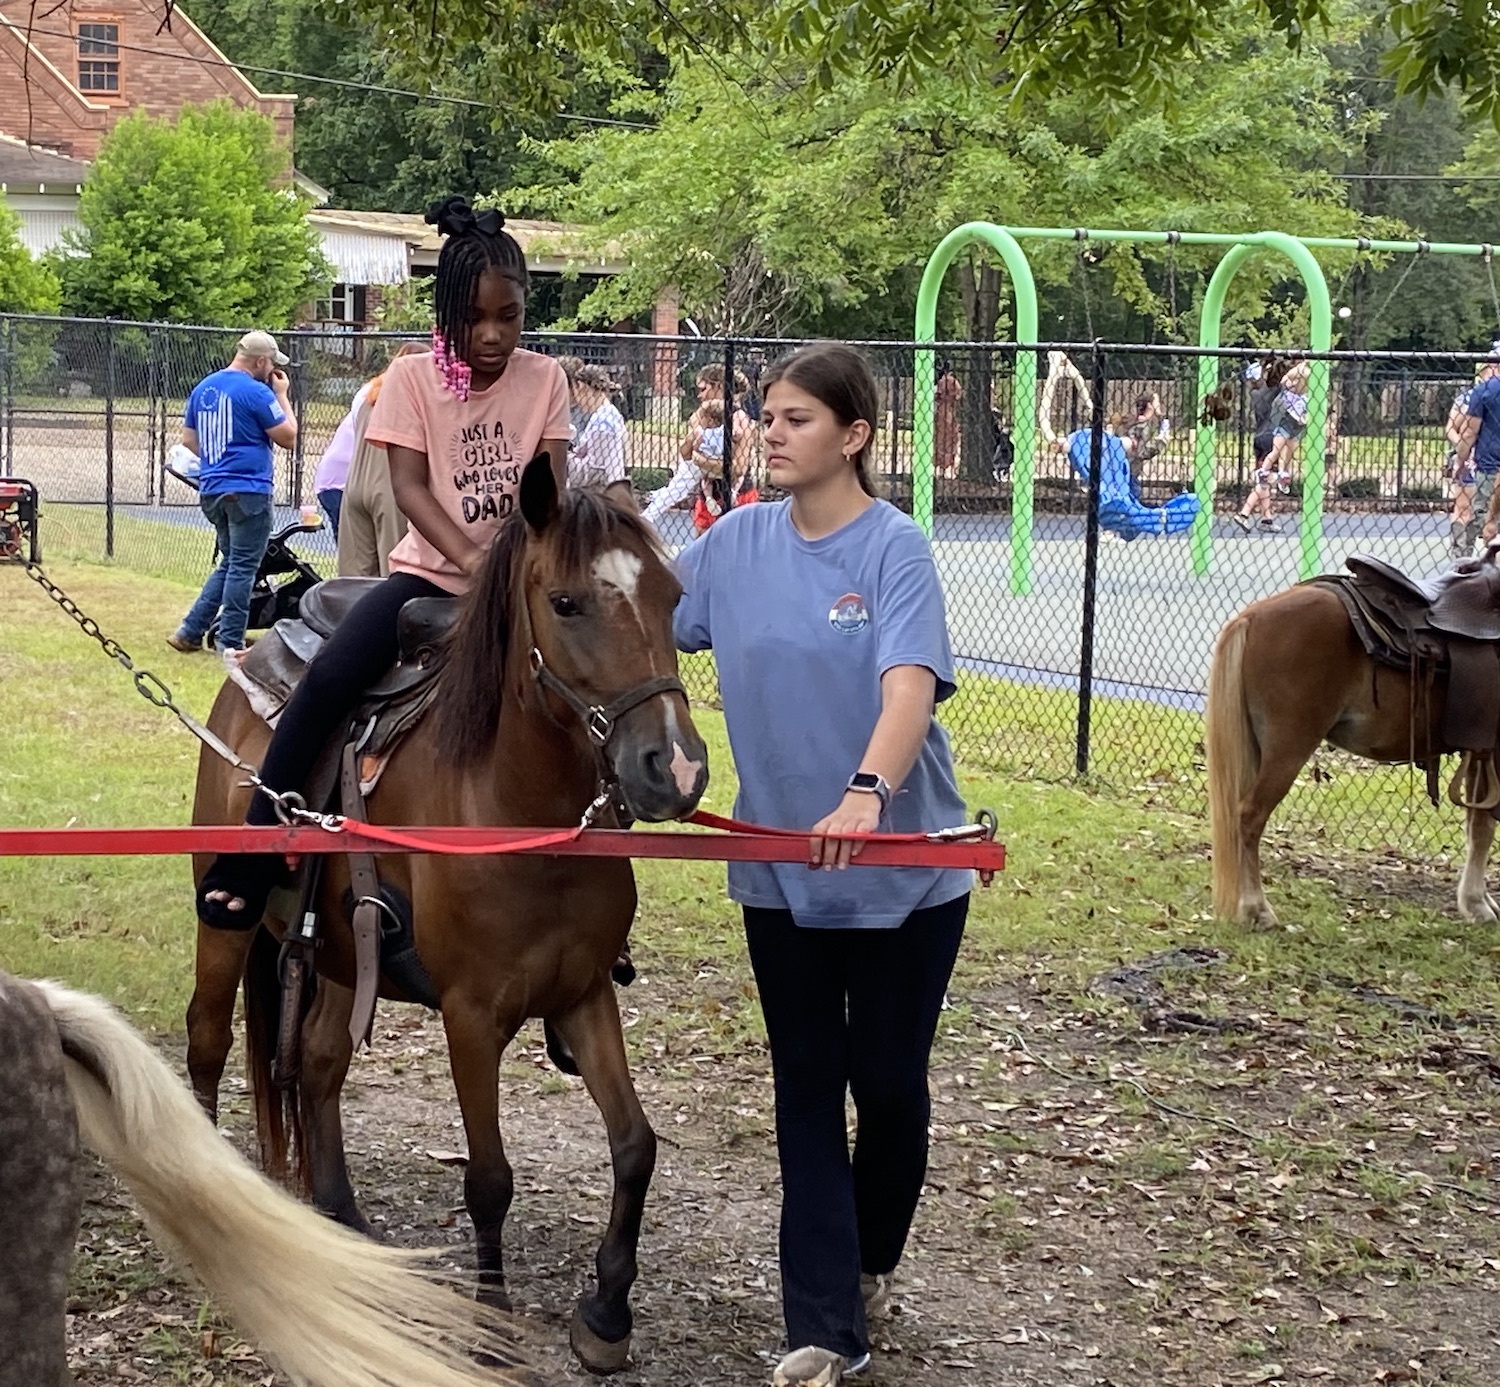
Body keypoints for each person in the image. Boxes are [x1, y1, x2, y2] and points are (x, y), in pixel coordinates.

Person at [672, 342, 972, 1387]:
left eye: (797, 418)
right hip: (780, 876)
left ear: (854, 435)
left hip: (906, 873)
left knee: (886, 1088)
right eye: (766, 414)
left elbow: (908, 692)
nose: (771, 431)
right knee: (805, 1085)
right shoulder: (731, 545)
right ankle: (823, 1326)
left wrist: (865, 791)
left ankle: (873, 1260)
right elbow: (635, 625)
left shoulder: (893, 549)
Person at [195, 196, 571, 927]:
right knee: (331, 678)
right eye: (476, 318)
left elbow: (550, 488)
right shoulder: (411, 380)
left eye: (510, 316)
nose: (493, 334)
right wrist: (471, 562)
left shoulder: (546, 379)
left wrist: (528, 568)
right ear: (447, 315)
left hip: (527, 582)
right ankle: (258, 845)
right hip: (428, 578)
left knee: (590, 688)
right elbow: (408, 486)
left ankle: (594, 882)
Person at [167, 330, 298, 656]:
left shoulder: (204, 388)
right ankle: (230, 640)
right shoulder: (257, 393)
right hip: (248, 490)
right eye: (271, 366)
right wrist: (282, 394)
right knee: (243, 568)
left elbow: (189, 441)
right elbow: (289, 436)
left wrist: (218, 461)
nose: (272, 372)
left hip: (212, 489)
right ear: (261, 361)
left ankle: (190, 631)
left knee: (231, 564)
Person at [336, 341, 429, 578]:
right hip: (390, 488)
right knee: (394, 572)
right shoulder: (419, 397)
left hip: (355, 486)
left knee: (354, 577)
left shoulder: (366, 392)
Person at [643, 365, 754, 529]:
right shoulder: (704, 413)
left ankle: (656, 506)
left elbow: (737, 469)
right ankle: (655, 508)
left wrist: (701, 459)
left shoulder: (739, 418)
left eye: (703, 389)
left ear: (719, 386)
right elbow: (686, 452)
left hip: (737, 497)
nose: (699, 395)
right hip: (708, 494)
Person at [1234, 359, 1308, 533]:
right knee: (1264, 481)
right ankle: (1244, 513)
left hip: (1258, 437)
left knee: (1264, 480)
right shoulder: (1273, 390)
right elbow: (1285, 381)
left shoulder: (1255, 393)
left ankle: (1267, 519)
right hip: (1270, 436)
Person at [566, 363, 633, 503]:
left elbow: (594, 472)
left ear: (582, 387)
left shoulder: (602, 422)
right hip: (606, 494)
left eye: (575, 391)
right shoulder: (608, 414)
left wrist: (565, 457)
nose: (576, 400)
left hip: (599, 498)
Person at [1458, 345, 1500, 548]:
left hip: (1490, 466)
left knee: (1480, 515)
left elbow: (1469, 432)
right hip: (1491, 464)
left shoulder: (1484, 391)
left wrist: (1460, 460)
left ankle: (1465, 564)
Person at [1444, 365, 1484, 557]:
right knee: (1463, 506)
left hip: (1493, 456)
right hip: (1469, 458)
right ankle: (1461, 554)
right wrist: (1463, 447)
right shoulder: (1467, 398)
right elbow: (1451, 428)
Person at [932, 363, 961, 478]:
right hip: (950, 411)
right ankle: (949, 467)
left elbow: (937, 395)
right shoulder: (954, 382)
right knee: (950, 440)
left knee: (940, 440)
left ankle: (940, 468)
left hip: (941, 412)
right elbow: (958, 395)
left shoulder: (942, 381)